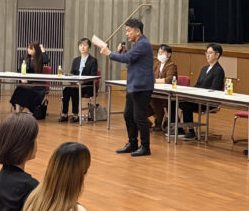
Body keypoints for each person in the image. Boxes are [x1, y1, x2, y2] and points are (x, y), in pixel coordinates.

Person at [100, 18, 153, 156]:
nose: (127, 34)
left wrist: (109, 53)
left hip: (142, 86)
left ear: (138, 31)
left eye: (129, 31)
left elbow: (127, 59)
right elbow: (131, 60)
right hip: (134, 86)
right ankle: (133, 143)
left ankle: (145, 147)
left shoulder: (143, 44)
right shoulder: (138, 44)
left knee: (139, 117)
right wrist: (123, 53)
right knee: (128, 115)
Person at [0, 113, 40, 211]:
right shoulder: (30, 186)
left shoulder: (2, 176)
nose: (37, 142)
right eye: (35, 138)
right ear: (23, 145)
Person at [179, 43, 225, 139]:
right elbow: (198, 85)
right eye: (206, 53)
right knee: (179, 101)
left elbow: (215, 89)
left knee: (185, 105)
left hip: (208, 101)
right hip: (198, 98)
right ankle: (180, 128)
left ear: (217, 55)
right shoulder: (204, 69)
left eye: (210, 53)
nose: (207, 55)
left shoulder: (219, 70)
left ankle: (191, 131)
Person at [58, 38, 98, 123]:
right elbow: (72, 74)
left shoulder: (93, 61)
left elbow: (93, 76)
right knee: (66, 90)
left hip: (87, 85)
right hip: (75, 85)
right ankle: (64, 114)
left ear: (89, 47)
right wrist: (73, 80)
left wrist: (81, 82)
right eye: (80, 45)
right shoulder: (76, 60)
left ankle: (76, 115)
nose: (82, 47)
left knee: (75, 91)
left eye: (85, 45)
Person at [10, 42, 50, 119]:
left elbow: (46, 60)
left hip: (38, 84)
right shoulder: (24, 58)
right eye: (28, 48)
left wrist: (42, 50)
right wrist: (22, 78)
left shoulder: (40, 58)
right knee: (20, 89)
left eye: (31, 48)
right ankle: (17, 112)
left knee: (27, 90)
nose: (29, 50)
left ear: (36, 50)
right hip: (27, 82)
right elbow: (20, 70)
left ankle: (29, 110)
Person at [148, 44, 177, 131]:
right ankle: (145, 121)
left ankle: (159, 121)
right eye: (159, 52)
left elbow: (169, 80)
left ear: (169, 54)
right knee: (141, 98)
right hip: (155, 90)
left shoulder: (171, 65)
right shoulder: (157, 64)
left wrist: (154, 81)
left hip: (166, 93)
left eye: (162, 52)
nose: (160, 54)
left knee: (154, 99)